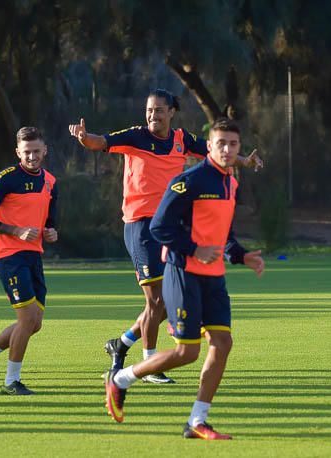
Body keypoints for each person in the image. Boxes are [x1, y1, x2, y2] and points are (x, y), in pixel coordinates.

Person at [69, 89, 263, 383]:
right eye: (149, 110)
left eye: (159, 110)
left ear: (172, 112)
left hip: (171, 228)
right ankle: (150, 365)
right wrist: (85, 138)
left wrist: (245, 161)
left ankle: (121, 344)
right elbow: (102, 142)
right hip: (141, 227)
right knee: (157, 300)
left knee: (162, 303)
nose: (153, 115)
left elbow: (216, 152)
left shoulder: (182, 140)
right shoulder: (135, 136)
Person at [104, 118, 265, 440]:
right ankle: (121, 379)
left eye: (233, 144)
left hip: (214, 277)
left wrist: (240, 255)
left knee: (222, 343)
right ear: (209, 146)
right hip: (183, 274)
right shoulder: (189, 181)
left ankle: (197, 421)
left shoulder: (230, 183)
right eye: (221, 143)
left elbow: (224, 234)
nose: (228, 149)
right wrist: (193, 249)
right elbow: (159, 227)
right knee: (186, 353)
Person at [0, 126, 58, 395]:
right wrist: (16, 230)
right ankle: (11, 381)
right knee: (27, 318)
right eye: (26, 152)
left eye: (36, 151)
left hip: (34, 256)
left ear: (45, 151)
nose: (32, 157)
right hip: (8, 256)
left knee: (35, 323)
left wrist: (51, 231)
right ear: (17, 152)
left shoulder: (51, 181)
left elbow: (50, 220)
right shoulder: (6, 178)